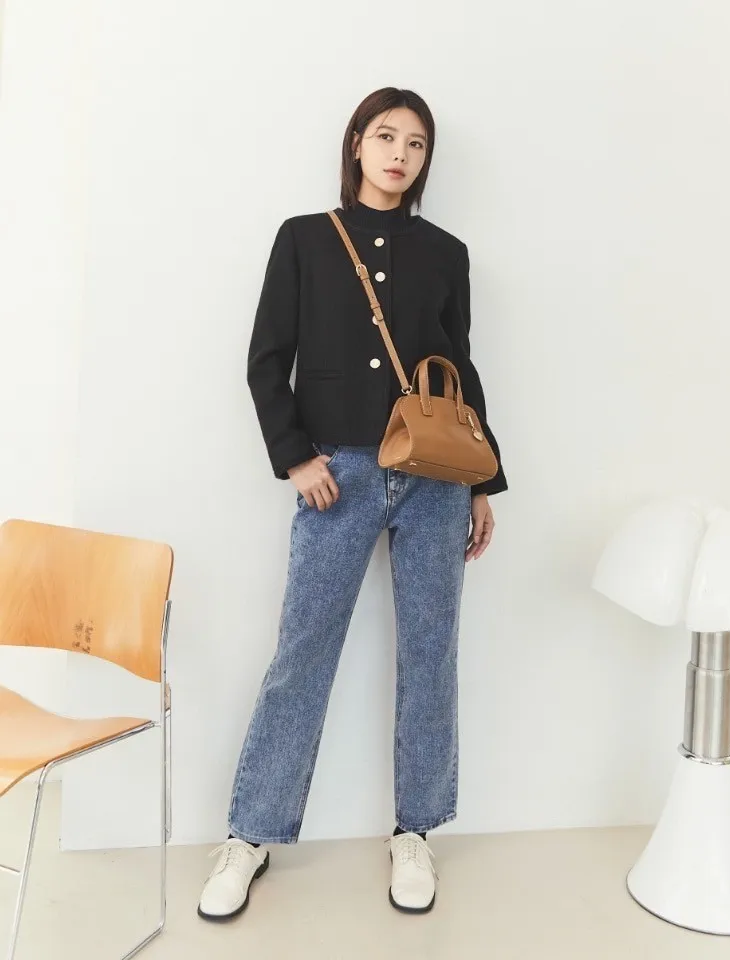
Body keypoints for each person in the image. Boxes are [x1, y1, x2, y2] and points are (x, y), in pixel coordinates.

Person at [198, 86, 507, 922]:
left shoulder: (445, 253)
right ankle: (251, 833)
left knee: (430, 654)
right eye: (386, 136)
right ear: (357, 145)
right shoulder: (304, 239)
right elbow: (267, 359)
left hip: (437, 479)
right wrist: (296, 456)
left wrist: (483, 482)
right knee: (303, 652)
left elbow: (460, 374)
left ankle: (415, 829)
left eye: (416, 143)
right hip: (337, 474)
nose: (400, 153)